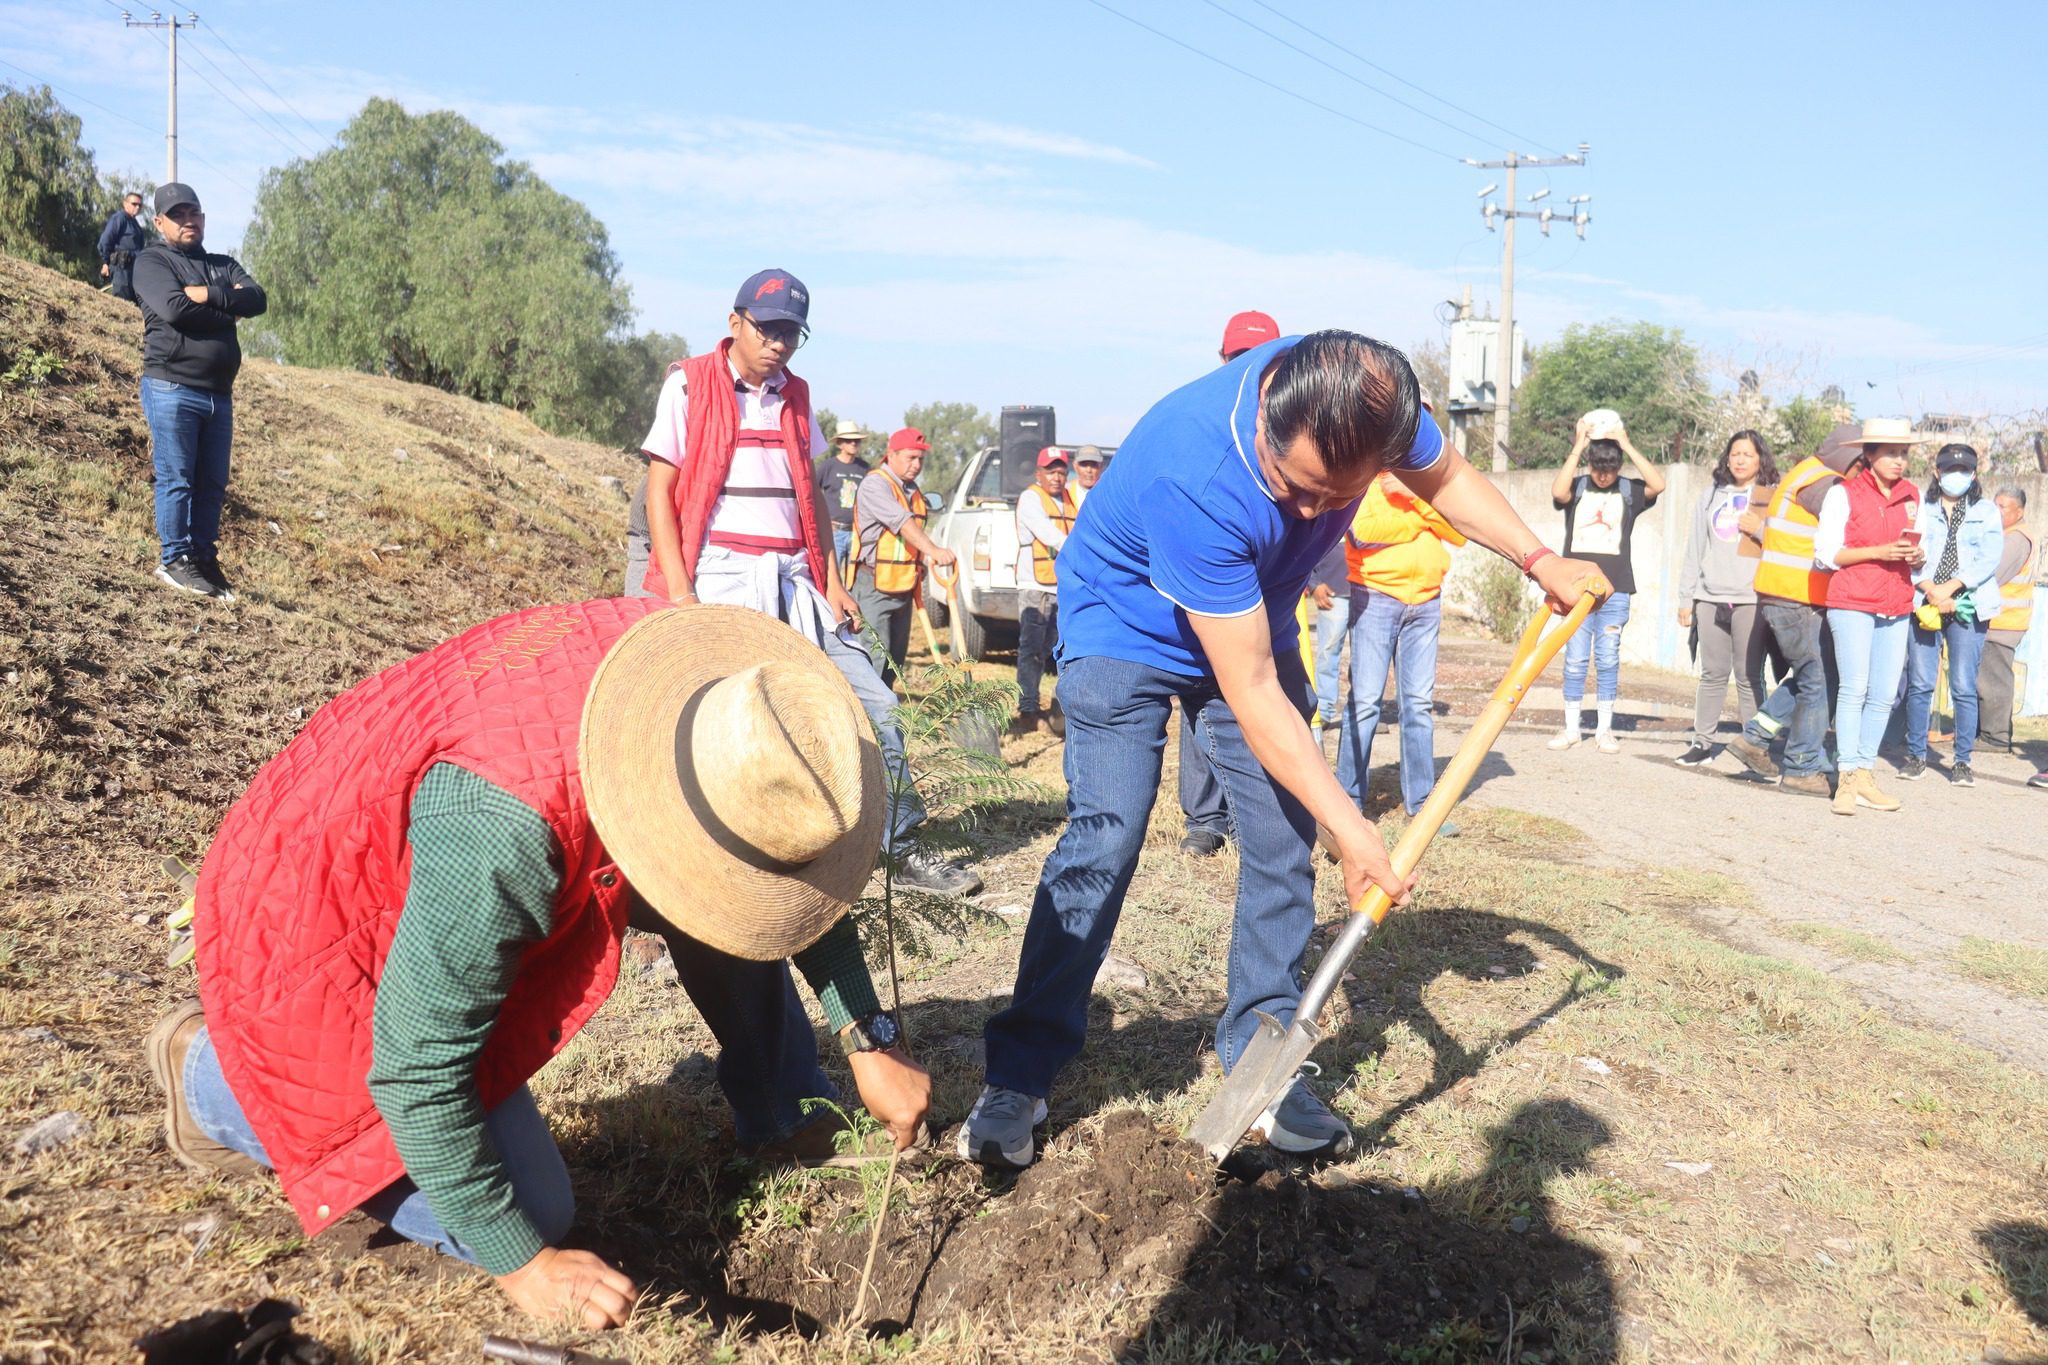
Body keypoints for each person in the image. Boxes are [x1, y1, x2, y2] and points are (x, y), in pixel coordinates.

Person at [146, 600, 931, 1332]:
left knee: (729, 899)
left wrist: (870, 1035)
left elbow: (786, 873)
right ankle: (207, 1079)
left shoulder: (698, 685)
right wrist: (525, 1264)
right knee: (536, 1211)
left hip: (429, 847)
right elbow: (415, 1073)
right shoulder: (504, 834)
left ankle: (780, 1112)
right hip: (314, 926)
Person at [955, 330, 1605, 1169]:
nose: (1302, 513)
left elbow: (1443, 479)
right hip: (1125, 625)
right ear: (1267, 410)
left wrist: (1537, 555)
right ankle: (1020, 1070)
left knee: (1278, 838)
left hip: (1249, 616)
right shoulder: (1197, 474)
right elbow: (1253, 691)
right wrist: (1352, 826)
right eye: (1291, 486)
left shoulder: (1368, 400)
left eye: (1327, 497)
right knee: (1106, 835)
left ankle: (1263, 1060)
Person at [630, 268, 979, 896]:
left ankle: (895, 848)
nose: (779, 343)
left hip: (796, 579)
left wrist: (832, 582)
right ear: (734, 322)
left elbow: (809, 494)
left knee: (876, 705)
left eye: (792, 332)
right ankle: (703, 867)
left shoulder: (796, 394)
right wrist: (681, 595)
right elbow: (662, 492)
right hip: (720, 578)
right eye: (768, 329)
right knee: (717, 722)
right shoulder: (689, 384)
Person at [1177, 311, 1285, 855]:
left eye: (1261, 357)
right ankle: (1204, 819)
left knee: (1267, 698)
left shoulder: (1292, 426)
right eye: (1239, 358)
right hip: (1208, 589)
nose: (1250, 369)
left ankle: (1255, 816)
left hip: (1265, 593)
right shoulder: (1202, 423)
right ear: (1223, 361)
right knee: (1203, 698)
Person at [132, 182, 266, 601]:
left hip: (218, 393)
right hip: (172, 385)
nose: (188, 220)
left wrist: (207, 295)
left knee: (212, 482)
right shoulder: (152, 261)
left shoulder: (222, 264)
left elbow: (258, 299)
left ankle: (204, 561)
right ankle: (175, 560)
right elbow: (173, 309)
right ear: (160, 222)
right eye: (178, 215)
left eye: (194, 213)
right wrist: (228, 313)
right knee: (177, 478)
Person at [1724, 425, 1864, 795]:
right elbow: (1853, 531)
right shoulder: (1826, 485)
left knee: (1810, 675)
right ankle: (1802, 766)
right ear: (1849, 458)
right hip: (1797, 594)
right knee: (1818, 680)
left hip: (1785, 592)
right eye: (1862, 462)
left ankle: (1754, 738)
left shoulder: (1806, 471)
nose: (1863, 471)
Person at [1335, 471, 1467, 832]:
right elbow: (1364, 533)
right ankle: (1347, 805)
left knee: (1419, 705)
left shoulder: (1423, 484)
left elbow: (1459, 532)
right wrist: (1425, 521)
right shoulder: (1362, 478)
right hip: (1375, 598)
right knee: (1364, 703)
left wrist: (1414, 498)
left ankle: (1422, 804)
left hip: (1426, 602)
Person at [1815, 419, 1926, 815]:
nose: (1900, 461)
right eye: (1891, 453)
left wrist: (1917, 557)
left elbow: (1917, 555)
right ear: (1869, 455)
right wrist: (1879, 551)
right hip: (1852, 601)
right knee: (1855, 688)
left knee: (1883, 695)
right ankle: (1846, 777)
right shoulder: (1842, 495)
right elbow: (1827, 555)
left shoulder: (1913, 495)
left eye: (1904, 453)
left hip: (1896, 603)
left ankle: (1864, 773)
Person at [1547, 416, 1665, 753]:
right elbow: (1558, 491)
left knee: (1608, 658)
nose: (1603, 474)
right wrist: (1579, 445)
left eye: (1610, 467)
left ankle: (1604, 730)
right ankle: (1571, 729)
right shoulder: (1580, 487)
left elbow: (1658, 484)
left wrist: (1625, 443)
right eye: (1598, 466)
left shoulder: (1629, 491)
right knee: (1575, 659)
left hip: (1617, 591)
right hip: (1577, 590)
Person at [1898, 445, 2002, 786]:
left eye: (1964, 470)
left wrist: (1952, 589)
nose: (1956, 475)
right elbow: (1909, 553)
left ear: (1973, 474)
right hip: (1925, 600)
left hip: (1969, 605)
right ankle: (1915, 755)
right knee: (1920, 683)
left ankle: (1962, 762)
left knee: (1963, 686)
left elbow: (1988, 558)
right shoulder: (1920, 509)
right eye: (1949, 469)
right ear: (1936, 471)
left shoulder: (1986, 511)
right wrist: (1931, 588)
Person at [1673, 431, 1777, 765]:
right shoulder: (1710, 496)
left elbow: (1787, 545)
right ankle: (1702, 743)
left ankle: (1754, 749)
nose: (1741, 460)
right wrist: (1686, 598)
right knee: (1712, 674)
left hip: (1752, 598)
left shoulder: (1770, 497)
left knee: (1748, 676)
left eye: (1748, 454)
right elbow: (1695, 549)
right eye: (1735, 453)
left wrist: (1759, 529)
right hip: (1709, 597)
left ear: (1761, 458)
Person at [850, 426, 956, 684]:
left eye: (921, 458)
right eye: (911, 457)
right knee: (875, 657)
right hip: (875, 586)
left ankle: (885, 717)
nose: (917, 464)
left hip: (904, 586)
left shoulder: (912, 489)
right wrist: (933, 551)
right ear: (891, 455)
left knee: (894, 662)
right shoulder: (876, 484)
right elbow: (903, 523)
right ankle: (867, 719)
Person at [1011, 447, 1077, 735]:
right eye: (1051, 471)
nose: (1057, 477)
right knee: (1032, 650)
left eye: (1062, 471)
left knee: (1058, 649)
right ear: (1039, 474)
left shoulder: (1069, 500)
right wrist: (1083, 551)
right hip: (1035, 585)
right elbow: (1048, 533)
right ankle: (1028, 709)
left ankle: (1058, 710)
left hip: (1061, 584)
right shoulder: (1030, 498)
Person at [1978, 487, 2034, 754]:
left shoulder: (2015, 539)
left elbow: (1992, 574)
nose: (1996, 511)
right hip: (2000, 619)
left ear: (2019, 512)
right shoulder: (2007, 535)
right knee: (1987, 676)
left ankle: (1995, 736)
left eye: (2004, 507)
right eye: (1995, 504)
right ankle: (1992, 733)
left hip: (2003, 621)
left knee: (1994, 679)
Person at [1307, 538, 1350, 733]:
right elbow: (1302, 545)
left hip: (1372, 593)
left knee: (1368, 658)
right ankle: (1323, 711)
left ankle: (1363, 716)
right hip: (1333, 593)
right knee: (1328, 652)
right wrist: (1313, 583)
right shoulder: (1330, 509)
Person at [817, 420, 872, 570]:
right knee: (830, 575)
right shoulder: (828, 466)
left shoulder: (865, 469)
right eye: (849, 440)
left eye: (856, 440)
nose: (853, 443)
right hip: (834, 532)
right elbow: (813, 493)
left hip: (856, 532)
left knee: (854, 578)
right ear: (840, 443)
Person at [97, 190, 147, 303]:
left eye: (140, 205)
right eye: (134, 204)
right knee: (121, 301)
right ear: (125, 203)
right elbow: (105, 241)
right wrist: (105, 262)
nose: (137, 207)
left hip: (133, 271)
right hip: (121, 270)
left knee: (134, 303)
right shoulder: (119, 218)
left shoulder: (135, 224)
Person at [1072, 444, 1105, 509]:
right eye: (1084, 465)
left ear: (1101, 467)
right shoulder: (1065, 492)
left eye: (1093, 465)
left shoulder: (1108, 493)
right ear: (1075, 466)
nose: (1089, 470)